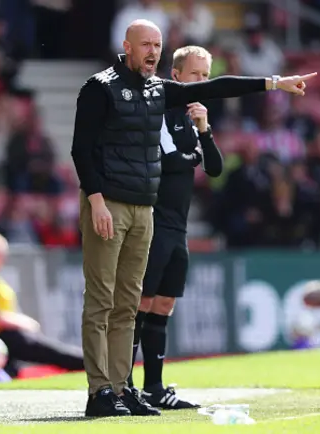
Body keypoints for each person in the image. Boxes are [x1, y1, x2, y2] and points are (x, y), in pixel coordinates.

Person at [70, 19, 316, 418]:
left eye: (158, 44)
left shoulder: (157, 90)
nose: (152, 51)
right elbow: (81, 150)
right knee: (102, 300)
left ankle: (121, 388)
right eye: (145, 44)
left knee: (129, 304)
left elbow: (215, 87)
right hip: (109, 203)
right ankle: (99, 391)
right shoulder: (99, 88)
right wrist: (95, 201)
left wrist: (273, 83)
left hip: (144, 206)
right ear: (126, 47)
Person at [125, 45, 222, 410]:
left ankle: (154, 387)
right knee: (141, 303)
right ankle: (124, 385)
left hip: (178, 227)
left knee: (163, 304)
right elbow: (170, 161)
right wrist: (192, 154)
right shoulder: (162, 109)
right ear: (177, 75)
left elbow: (213, 168)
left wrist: (205, 130)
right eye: (195, 74)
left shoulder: (193, 117)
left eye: (206, 75)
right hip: (154, 221)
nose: (201, 81)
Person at [0, 230, 84, 379]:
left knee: (11, 373)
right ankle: (91, 362)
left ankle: (91, 361)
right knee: (53, 353)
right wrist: (23, 322)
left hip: (0, 337)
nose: (3, 258)